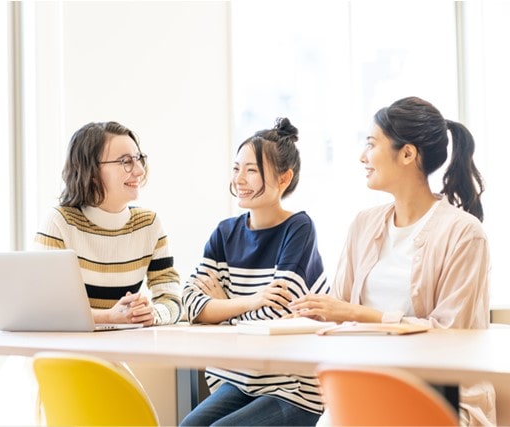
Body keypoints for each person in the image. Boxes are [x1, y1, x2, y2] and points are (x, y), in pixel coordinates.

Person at [289, 96, 495, 425]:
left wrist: (358, 314)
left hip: (437, 396)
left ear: (408, 154)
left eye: (371, 144)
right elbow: (338, 315)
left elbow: (453, 340)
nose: (362, 157)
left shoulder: (464, 234)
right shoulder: (363, 224)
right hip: (365, 385)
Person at [181, 118, 329, 426]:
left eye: (251, 170)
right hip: (239, 379)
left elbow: (272, 321)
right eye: (236, 168)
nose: (239, 179)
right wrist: (251, 302)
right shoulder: (225, 233)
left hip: (293, 389)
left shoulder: (298, 229)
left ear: (284, 178)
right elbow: (190, 303)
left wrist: (222, 308)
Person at [34, 121, 182, 326]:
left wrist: (152, 314)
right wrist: (110, 317)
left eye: (139, 159)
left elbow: (172, 298)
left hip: (121, 350)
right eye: (125, 161)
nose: (139, 170)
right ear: (92, 173)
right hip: (66, 350)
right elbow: (44, 308)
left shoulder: (149, 225)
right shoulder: (60, 223)